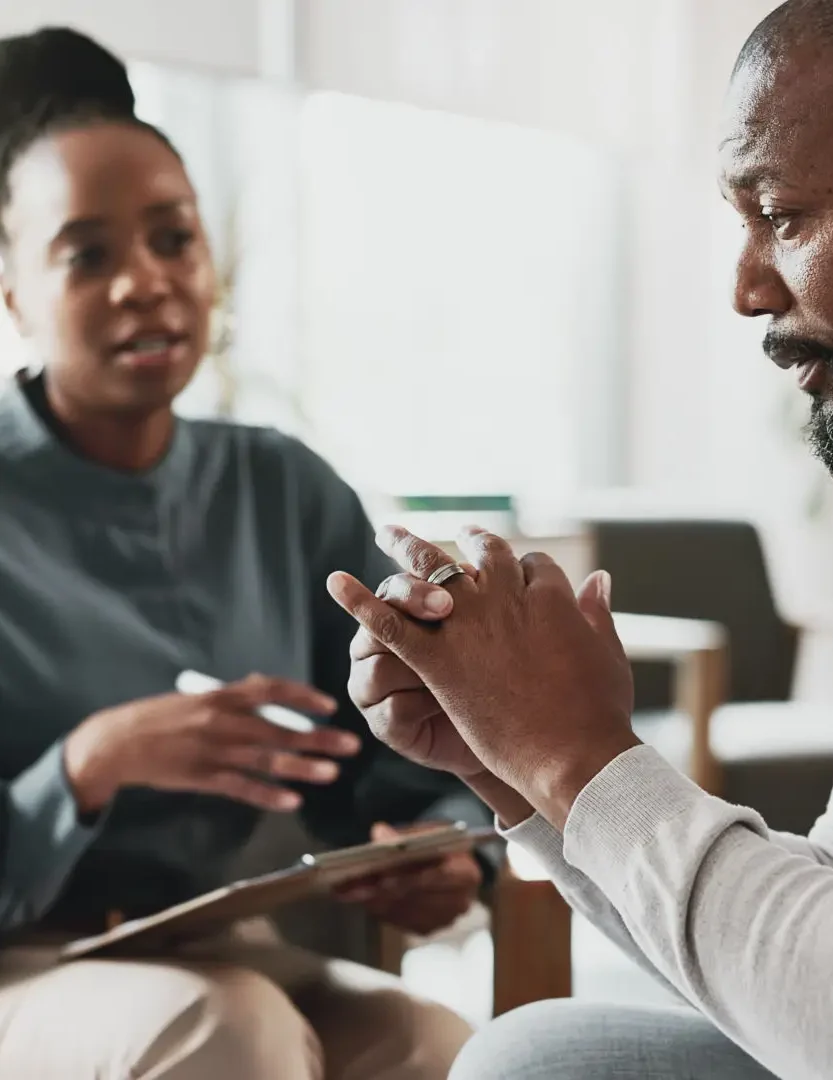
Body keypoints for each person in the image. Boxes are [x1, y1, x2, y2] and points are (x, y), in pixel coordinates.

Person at [332, 0, 833, 1077]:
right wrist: (525, 774)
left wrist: (578, 757)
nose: (745, 288)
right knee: (539, 1056)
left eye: (780, 215)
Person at [0, 26, 485, 1080]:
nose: (143, 283)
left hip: (208, 942)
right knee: (230, 1034)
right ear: (12, 294)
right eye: (86, 255)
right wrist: (87, 768)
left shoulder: (280, 485)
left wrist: (440, 847)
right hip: (20, 963)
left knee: (434, 1041)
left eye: (173, 239)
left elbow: (397, 751)